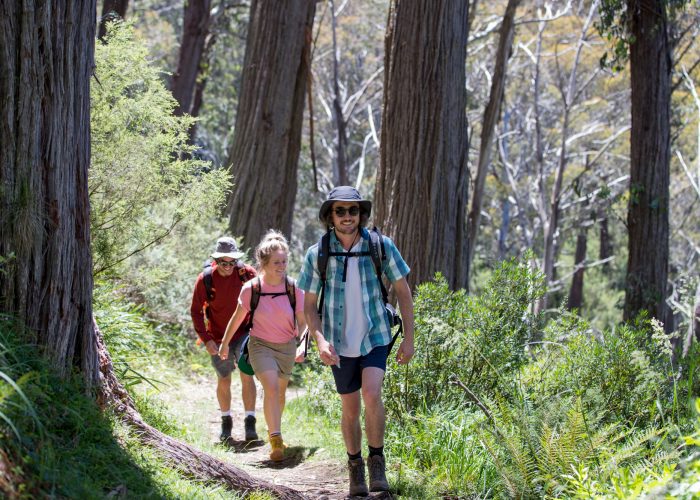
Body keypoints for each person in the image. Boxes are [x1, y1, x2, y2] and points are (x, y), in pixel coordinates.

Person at [298, 186, 415, 496]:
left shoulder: (381, 246)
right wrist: (320, 341)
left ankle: (377, 463)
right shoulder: (318, 253)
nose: (347, 216)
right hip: (338, 343)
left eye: (353, 210)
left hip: (375, 335)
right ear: (330, 216)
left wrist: (409, 339)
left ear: (361, 214)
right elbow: (308, 305)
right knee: (350, 408)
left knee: (372, 394)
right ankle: (355, 469)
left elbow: (403, 291)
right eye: (340, 211)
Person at [219, 230, 307, 462]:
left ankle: (272, 429)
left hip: (287, 346)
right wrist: (225, 344)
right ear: (264, 263)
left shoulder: (293, 288)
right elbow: (237, 318)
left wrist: (302, 344)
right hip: (260, 345)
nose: (281, 266)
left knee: (279, 394)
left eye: (284, 262)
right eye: (276, 262)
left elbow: (303, 320)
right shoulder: (252, 288)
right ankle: (276, 441)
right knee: (271, 388)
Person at [190, 237, 259, 442]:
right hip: (218, 337)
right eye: (223, 262)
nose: (228, 267)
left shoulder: (247, 274)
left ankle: (250, 423)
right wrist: (206, 339)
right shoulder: (205, 279)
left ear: (237, 260)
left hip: (244, 333)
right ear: (216, 261)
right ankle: (226, 422)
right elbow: (195, 312)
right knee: (224, 378)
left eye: (231, 262)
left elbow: (260, 303)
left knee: (247, 375)